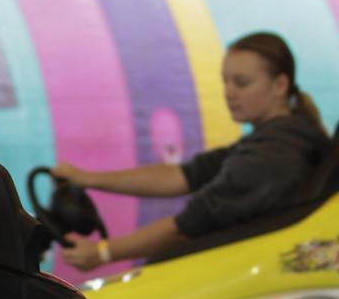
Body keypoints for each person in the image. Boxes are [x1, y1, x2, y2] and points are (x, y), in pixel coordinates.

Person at [54, 31, 330, 272]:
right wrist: (87, 178)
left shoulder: (272, 155)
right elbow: (181, 176)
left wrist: (102, 252)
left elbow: (185, 228)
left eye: (242, 83)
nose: (229, 93)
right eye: (226, 81)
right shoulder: (279, 137)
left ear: (279, 86)